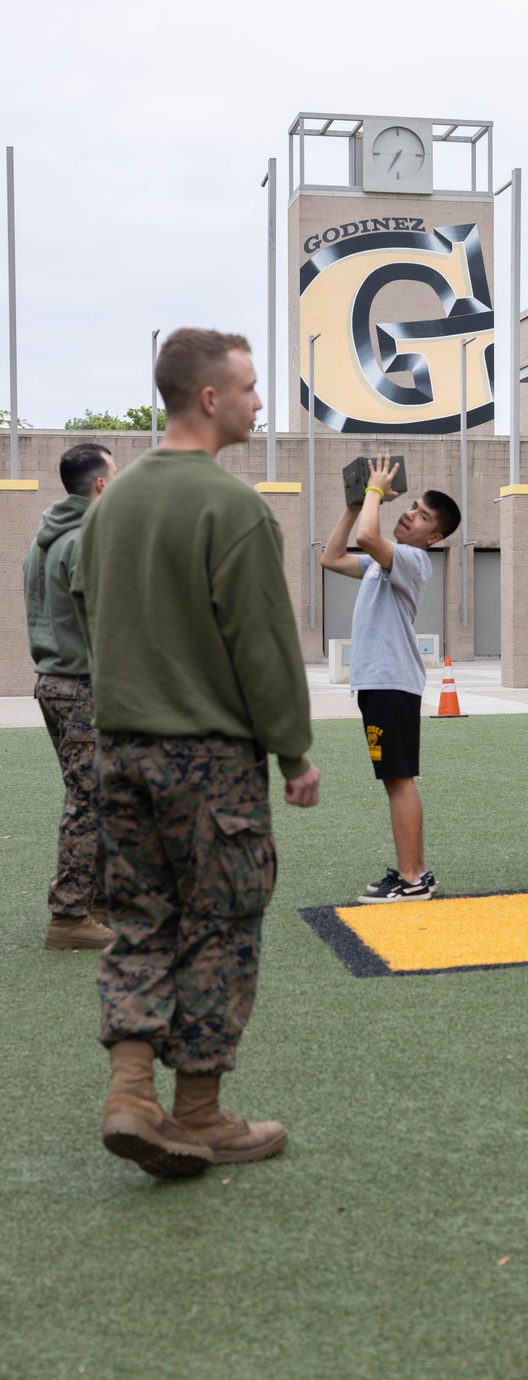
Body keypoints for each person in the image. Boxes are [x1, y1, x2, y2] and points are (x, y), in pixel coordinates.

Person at [72, 327, 320, 1179]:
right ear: (210, 398)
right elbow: (264, 645)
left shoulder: (110, 504)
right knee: (220, 929)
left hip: (119, 753)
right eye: (250, 388)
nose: (260, 402)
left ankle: (130, 1093)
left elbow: (83, 608)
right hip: (210, 762)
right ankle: (201, 1114)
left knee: (140, 921)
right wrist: (292, 755)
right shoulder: (233, 507)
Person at [321, 455, 460, 902]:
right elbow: (332, 557)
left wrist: (376, 491)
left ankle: (412, 878)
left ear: (433, 537)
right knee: (394, 778)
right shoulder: (384, 564)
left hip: (391, 682)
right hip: (380, 683)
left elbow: (367, 535)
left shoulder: (413, 560)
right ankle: (415, 871)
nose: (410, 513)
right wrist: (353, 502)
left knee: (399, 778)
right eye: (413, 505)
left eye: (422, 516)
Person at [24, 443, 116, 950]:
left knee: (96, 797)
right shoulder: (85, 541)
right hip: (83, 688)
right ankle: (69, 917)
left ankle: (96, 904)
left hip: (53, 684)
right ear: (100, 486)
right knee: (89, 801)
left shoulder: (40, 542)